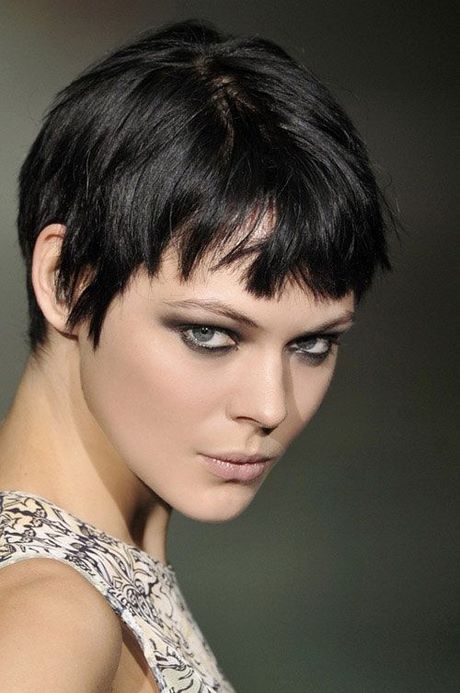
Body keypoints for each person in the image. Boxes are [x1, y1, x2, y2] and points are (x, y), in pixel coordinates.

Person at [0, 19, 391, 693]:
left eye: (313, 343)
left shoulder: (89, 583)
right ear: (67, 282)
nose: (270, 406)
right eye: (209, 334)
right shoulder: (48, 620)